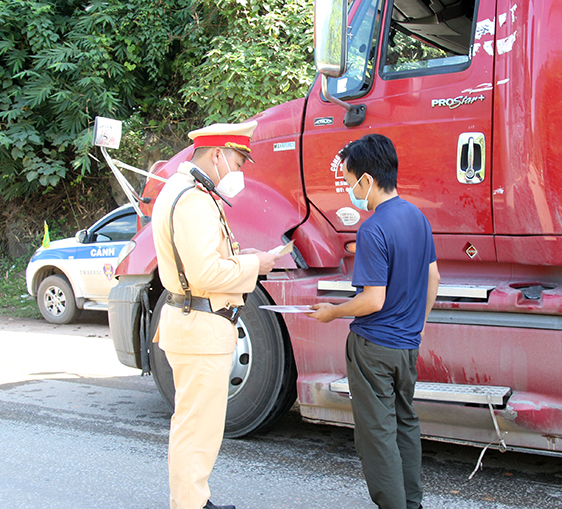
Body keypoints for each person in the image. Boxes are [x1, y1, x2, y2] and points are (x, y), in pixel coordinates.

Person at [151, 121, 282, 509]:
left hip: (194, 325)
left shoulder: (181, 190)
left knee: (193, 427)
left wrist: (246, 260)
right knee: (198, 430)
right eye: (239, 162)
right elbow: (205, 273)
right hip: (200, 328)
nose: (240, 172)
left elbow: (202, 265)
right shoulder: (192, 199)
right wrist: (254, 265)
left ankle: (192, 500)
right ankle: (190, 505)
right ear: (218, 155)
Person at [309, 134, 440, 509]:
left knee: (377, 435)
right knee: (404, 425)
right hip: (406, 346)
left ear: (366, 180)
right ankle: (411, 503)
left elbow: (372, 299)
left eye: (350, 183)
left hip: (373, 349)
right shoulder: (417, 217)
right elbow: (434, 278)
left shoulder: (372, 229)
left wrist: (332, 311)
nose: (351, 191)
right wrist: (418, 323)